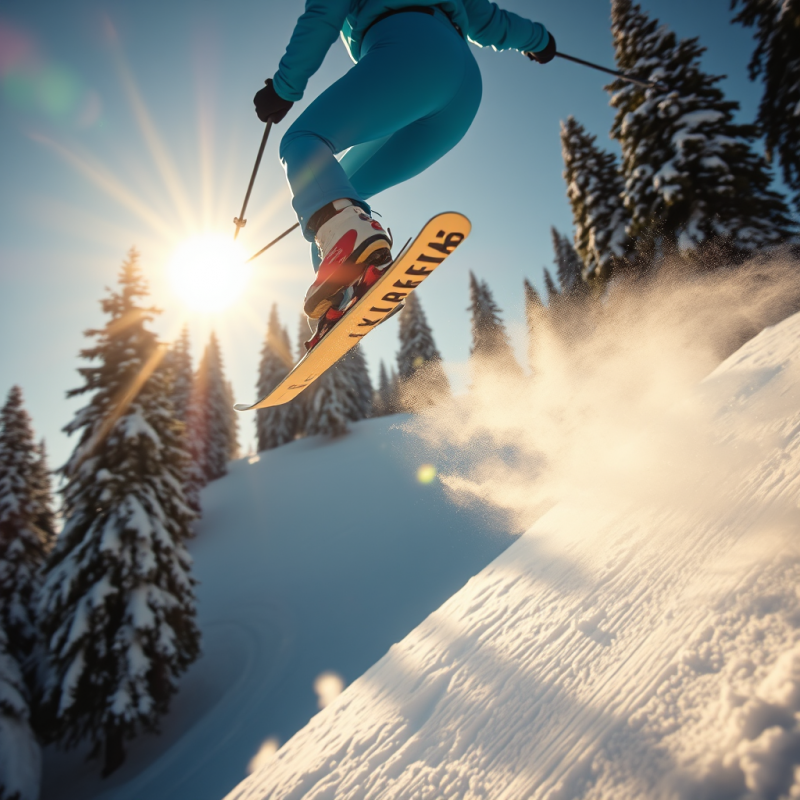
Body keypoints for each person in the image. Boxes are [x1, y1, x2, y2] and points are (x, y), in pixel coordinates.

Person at [254, 1, 556, 349]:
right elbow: (487, 20)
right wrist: (539, 40)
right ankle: (340, 296)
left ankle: (348, 248)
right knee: (337, 192)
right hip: (462, 89)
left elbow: (324, 13)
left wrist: (284, 87)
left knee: (302, 142)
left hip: (409, 52)